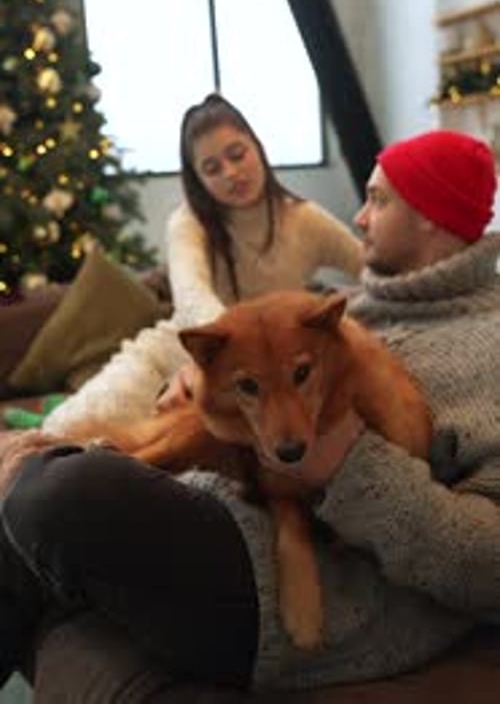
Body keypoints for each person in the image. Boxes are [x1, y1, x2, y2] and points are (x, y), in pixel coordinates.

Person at [1, 128, 500, 700]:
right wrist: (194, 386)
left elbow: (490, 566)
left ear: (432, 217)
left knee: (58, 491)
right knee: (21, 514)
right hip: (223, 505)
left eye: (377, 199)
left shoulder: (489, 346)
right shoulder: (352, 307)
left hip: (302, 593)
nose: (359, 218)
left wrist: (347, 467)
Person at [43, 92, 363, 434]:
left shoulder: (305, 219)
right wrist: (224, 358)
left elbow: (371, 267)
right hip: (174, 357)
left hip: (265, 379)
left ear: (257, 147)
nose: (230, 173)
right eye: (212, 168)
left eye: (237, 155)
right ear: (198, 179)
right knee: (65, 430)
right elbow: (192, 297)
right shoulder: (188, 222)